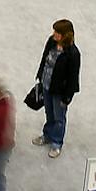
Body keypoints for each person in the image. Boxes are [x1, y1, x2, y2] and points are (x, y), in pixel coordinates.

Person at [30, 19, 80, 158]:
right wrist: (40, 75)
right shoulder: (51, 42)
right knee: (49, 113)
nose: (54, 34)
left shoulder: (73, 54)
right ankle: (47, 135)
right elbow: (44, 58)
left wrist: (67, 97)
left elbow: (73, 77)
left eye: (57, 32)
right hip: (46, 84)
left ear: (65, 35)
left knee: (59, 118)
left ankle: (57, 142)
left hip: (60, 91)